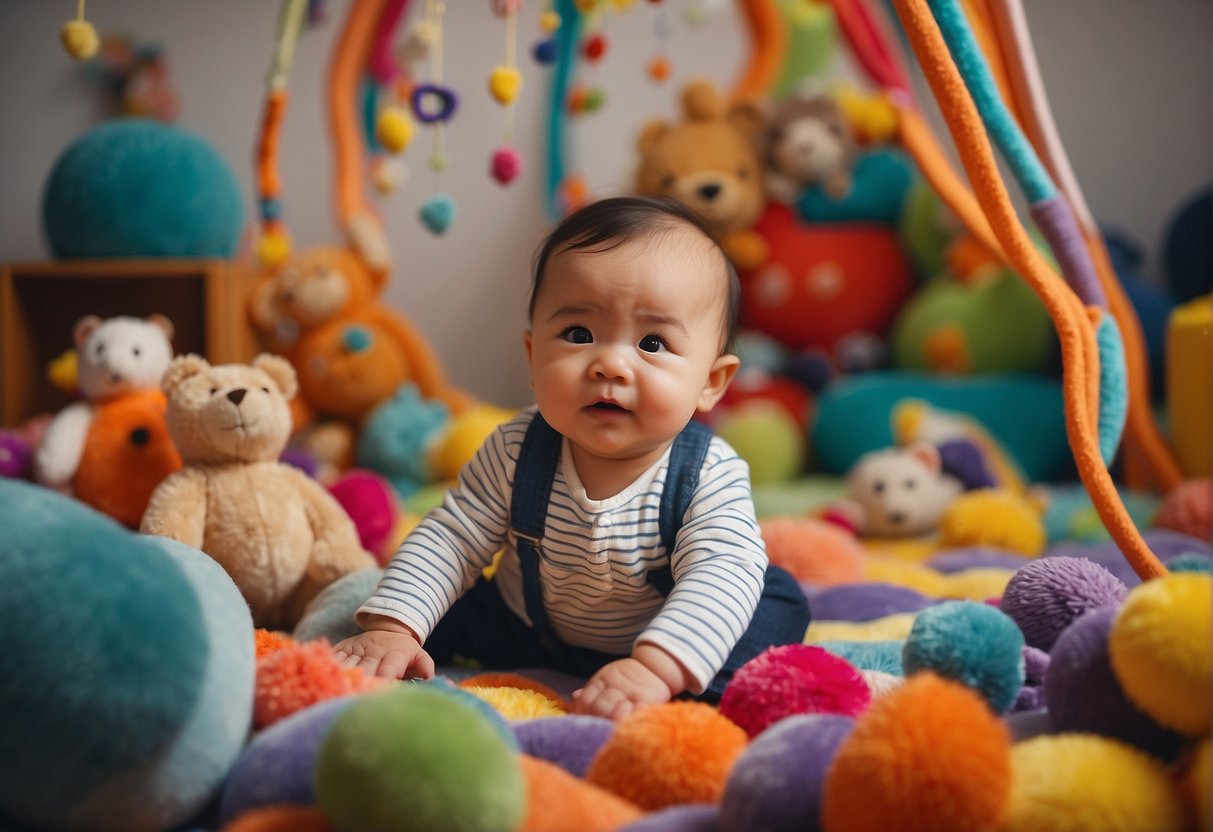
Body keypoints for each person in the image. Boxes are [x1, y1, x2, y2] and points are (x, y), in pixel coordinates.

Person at [334, 196, 810, 720]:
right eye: (579, 334)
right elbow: (455, 535)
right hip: (524, 627)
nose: (611, 363)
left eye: (653, 342)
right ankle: (389, 638)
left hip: (655, 632)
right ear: (534, 354)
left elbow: (720, 570)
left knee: (769, 602)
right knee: (417, 598)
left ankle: (667, 682)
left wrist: (655, 665)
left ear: (711, 383)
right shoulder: (517, 447)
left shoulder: (707, 474)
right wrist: (394, 627)